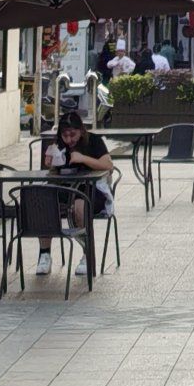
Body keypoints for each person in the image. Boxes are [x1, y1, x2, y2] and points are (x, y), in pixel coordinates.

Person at [45, 110, 116, 275]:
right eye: (65, 135)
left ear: (81, 131)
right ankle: (44, 253)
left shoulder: (94, 141)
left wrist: (83, 158)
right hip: (66, 189)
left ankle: (86, 253)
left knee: (79, 204)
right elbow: (53, 174)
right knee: (43, 201)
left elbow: (108, 165)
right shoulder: (59, 145)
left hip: (92, 190)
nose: (69, 139)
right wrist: (51, 163)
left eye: (73, 135)